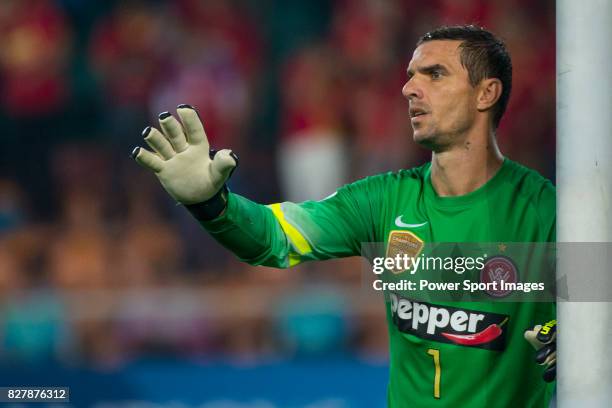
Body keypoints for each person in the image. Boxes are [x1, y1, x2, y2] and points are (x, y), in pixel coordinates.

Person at [132, 25, 556, 408]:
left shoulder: (543, 209)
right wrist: (211, 204)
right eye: (410, 74)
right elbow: (273, 238)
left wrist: (575, 335)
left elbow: (596, 305)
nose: (410, 88)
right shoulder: (382, 201)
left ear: (486, 93)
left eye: (435, 74)